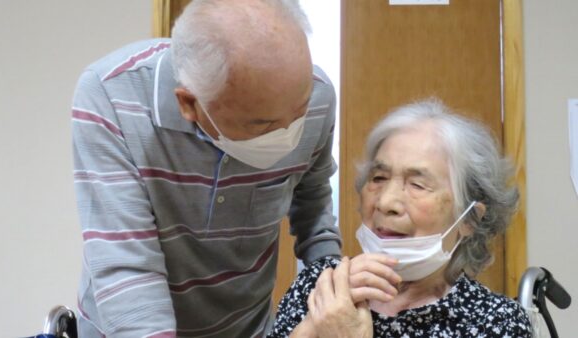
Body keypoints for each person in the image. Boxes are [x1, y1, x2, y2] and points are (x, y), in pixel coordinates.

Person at [71, 0, 341, 336]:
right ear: (189, 103)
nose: (290, 132)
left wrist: (332, 284)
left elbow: (313, 202)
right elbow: (128, 268)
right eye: (264, 124)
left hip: (247, 327)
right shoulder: (110, 96)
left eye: (299, 112)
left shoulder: (318, 95)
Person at [269, 99, 532, 337]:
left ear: (470, 218)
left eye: (418, 185)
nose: (385, 202)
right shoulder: (319, 287)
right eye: (378, 178)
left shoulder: (497, 322)